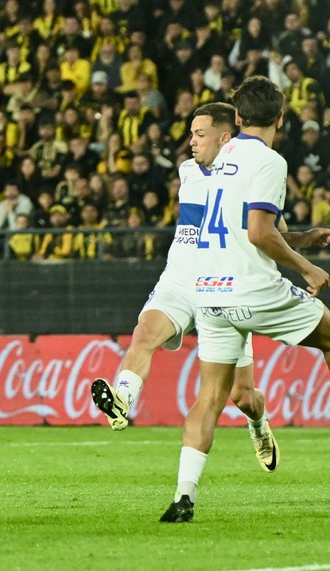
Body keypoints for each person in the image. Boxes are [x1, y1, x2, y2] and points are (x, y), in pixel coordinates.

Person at [90, 102, 328, 473]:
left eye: (199, 134)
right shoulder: (187, 170)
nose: (191, 142)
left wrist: (305, 239)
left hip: (225, 283)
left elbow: (269, 231)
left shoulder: (248, 172)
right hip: (180, 279)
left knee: (242, 396)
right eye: (191, 134)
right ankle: (121, 401)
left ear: (224, 137)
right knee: (144, 333)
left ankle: (258, 424)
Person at [161, 77, 330, 523]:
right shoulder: (271, 161)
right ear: (281, 117)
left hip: (210, 294)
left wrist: (301, 238)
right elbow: (258, 233)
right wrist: (307, 267)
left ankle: (183, 497)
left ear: (237, 118)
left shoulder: (220, 157)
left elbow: (253, 227)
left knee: (210, 399)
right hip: (253, 288)